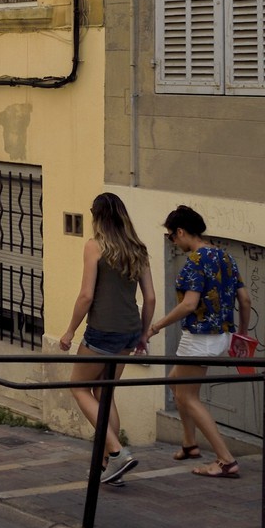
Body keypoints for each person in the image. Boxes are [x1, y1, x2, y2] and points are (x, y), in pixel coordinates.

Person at [146, 204, 253, 480]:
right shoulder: (225, 257)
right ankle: (189, 443)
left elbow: (189, 305)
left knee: (188, 396)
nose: (173, 242)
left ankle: (226, 460)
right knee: (175, 382)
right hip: (221, 336)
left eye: (171, 236)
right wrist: (240, 334)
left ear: (180, 231)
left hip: (200, 338)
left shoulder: (195, 261)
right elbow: (245, 300)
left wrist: (156, 327)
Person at [57, 193, 155, 485]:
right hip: (128, 331)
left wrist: (70, 331)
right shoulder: (138, 249)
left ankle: (116, 453)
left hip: (102, 331)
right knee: (104, 394)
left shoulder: (95, 246)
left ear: (96, 216)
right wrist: (142, 336)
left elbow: (86, 295)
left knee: (78, 387)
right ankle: (108, 465)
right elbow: (149, 297)